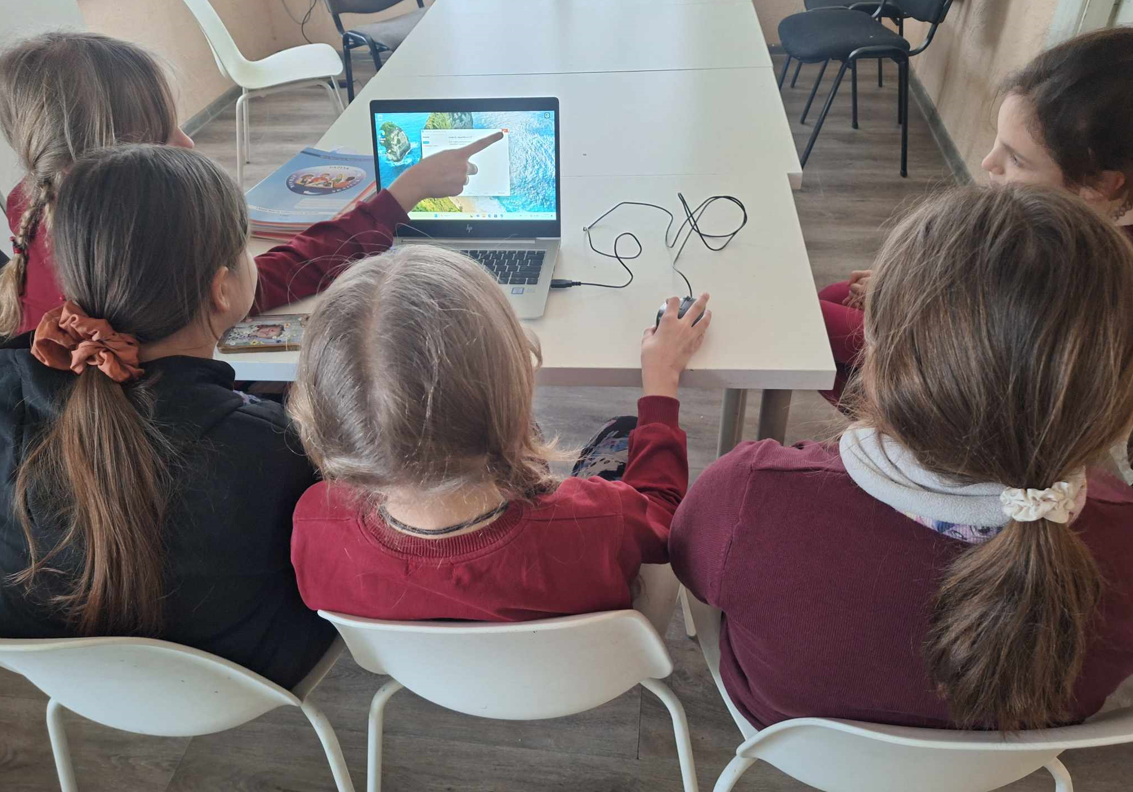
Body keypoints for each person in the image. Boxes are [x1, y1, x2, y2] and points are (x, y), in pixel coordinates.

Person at [671, 185, 1133, 732]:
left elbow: (689, 572)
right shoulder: (1119, 534)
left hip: (778, 729)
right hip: (1001, 768)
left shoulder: (750, 496)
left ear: (875, 353)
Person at [0, 145, 336, 688]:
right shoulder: (271, 446)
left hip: (71, 683)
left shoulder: (12, 395)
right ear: (222, 289)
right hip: (246, 678)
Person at [288, 245, 710, 621]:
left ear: (332, 420)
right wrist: (661, 384)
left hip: (428, 675)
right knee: (625, 430)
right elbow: (662, 515)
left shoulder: (314, 523)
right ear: (509, 388)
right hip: (589, 662)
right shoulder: (599, 520)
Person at [0, 31, 493, 338]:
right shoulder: (147, 248)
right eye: (162, 134)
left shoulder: (30, 203)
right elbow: (263, 284)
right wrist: (399, 198)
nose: (188, 142)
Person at [817, 26, 1133, 403]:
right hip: (972, 333)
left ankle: (900, 426)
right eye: (999, 143)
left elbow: (991, 345)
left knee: (808, 324)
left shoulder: (1099, 275)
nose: (988, 163)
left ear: (1100, 184)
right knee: (836, 297)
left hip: (989, 391)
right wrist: (901, 284)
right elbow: (980, 272)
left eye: (1016, 159)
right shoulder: (1067, 219)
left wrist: (896, 298)